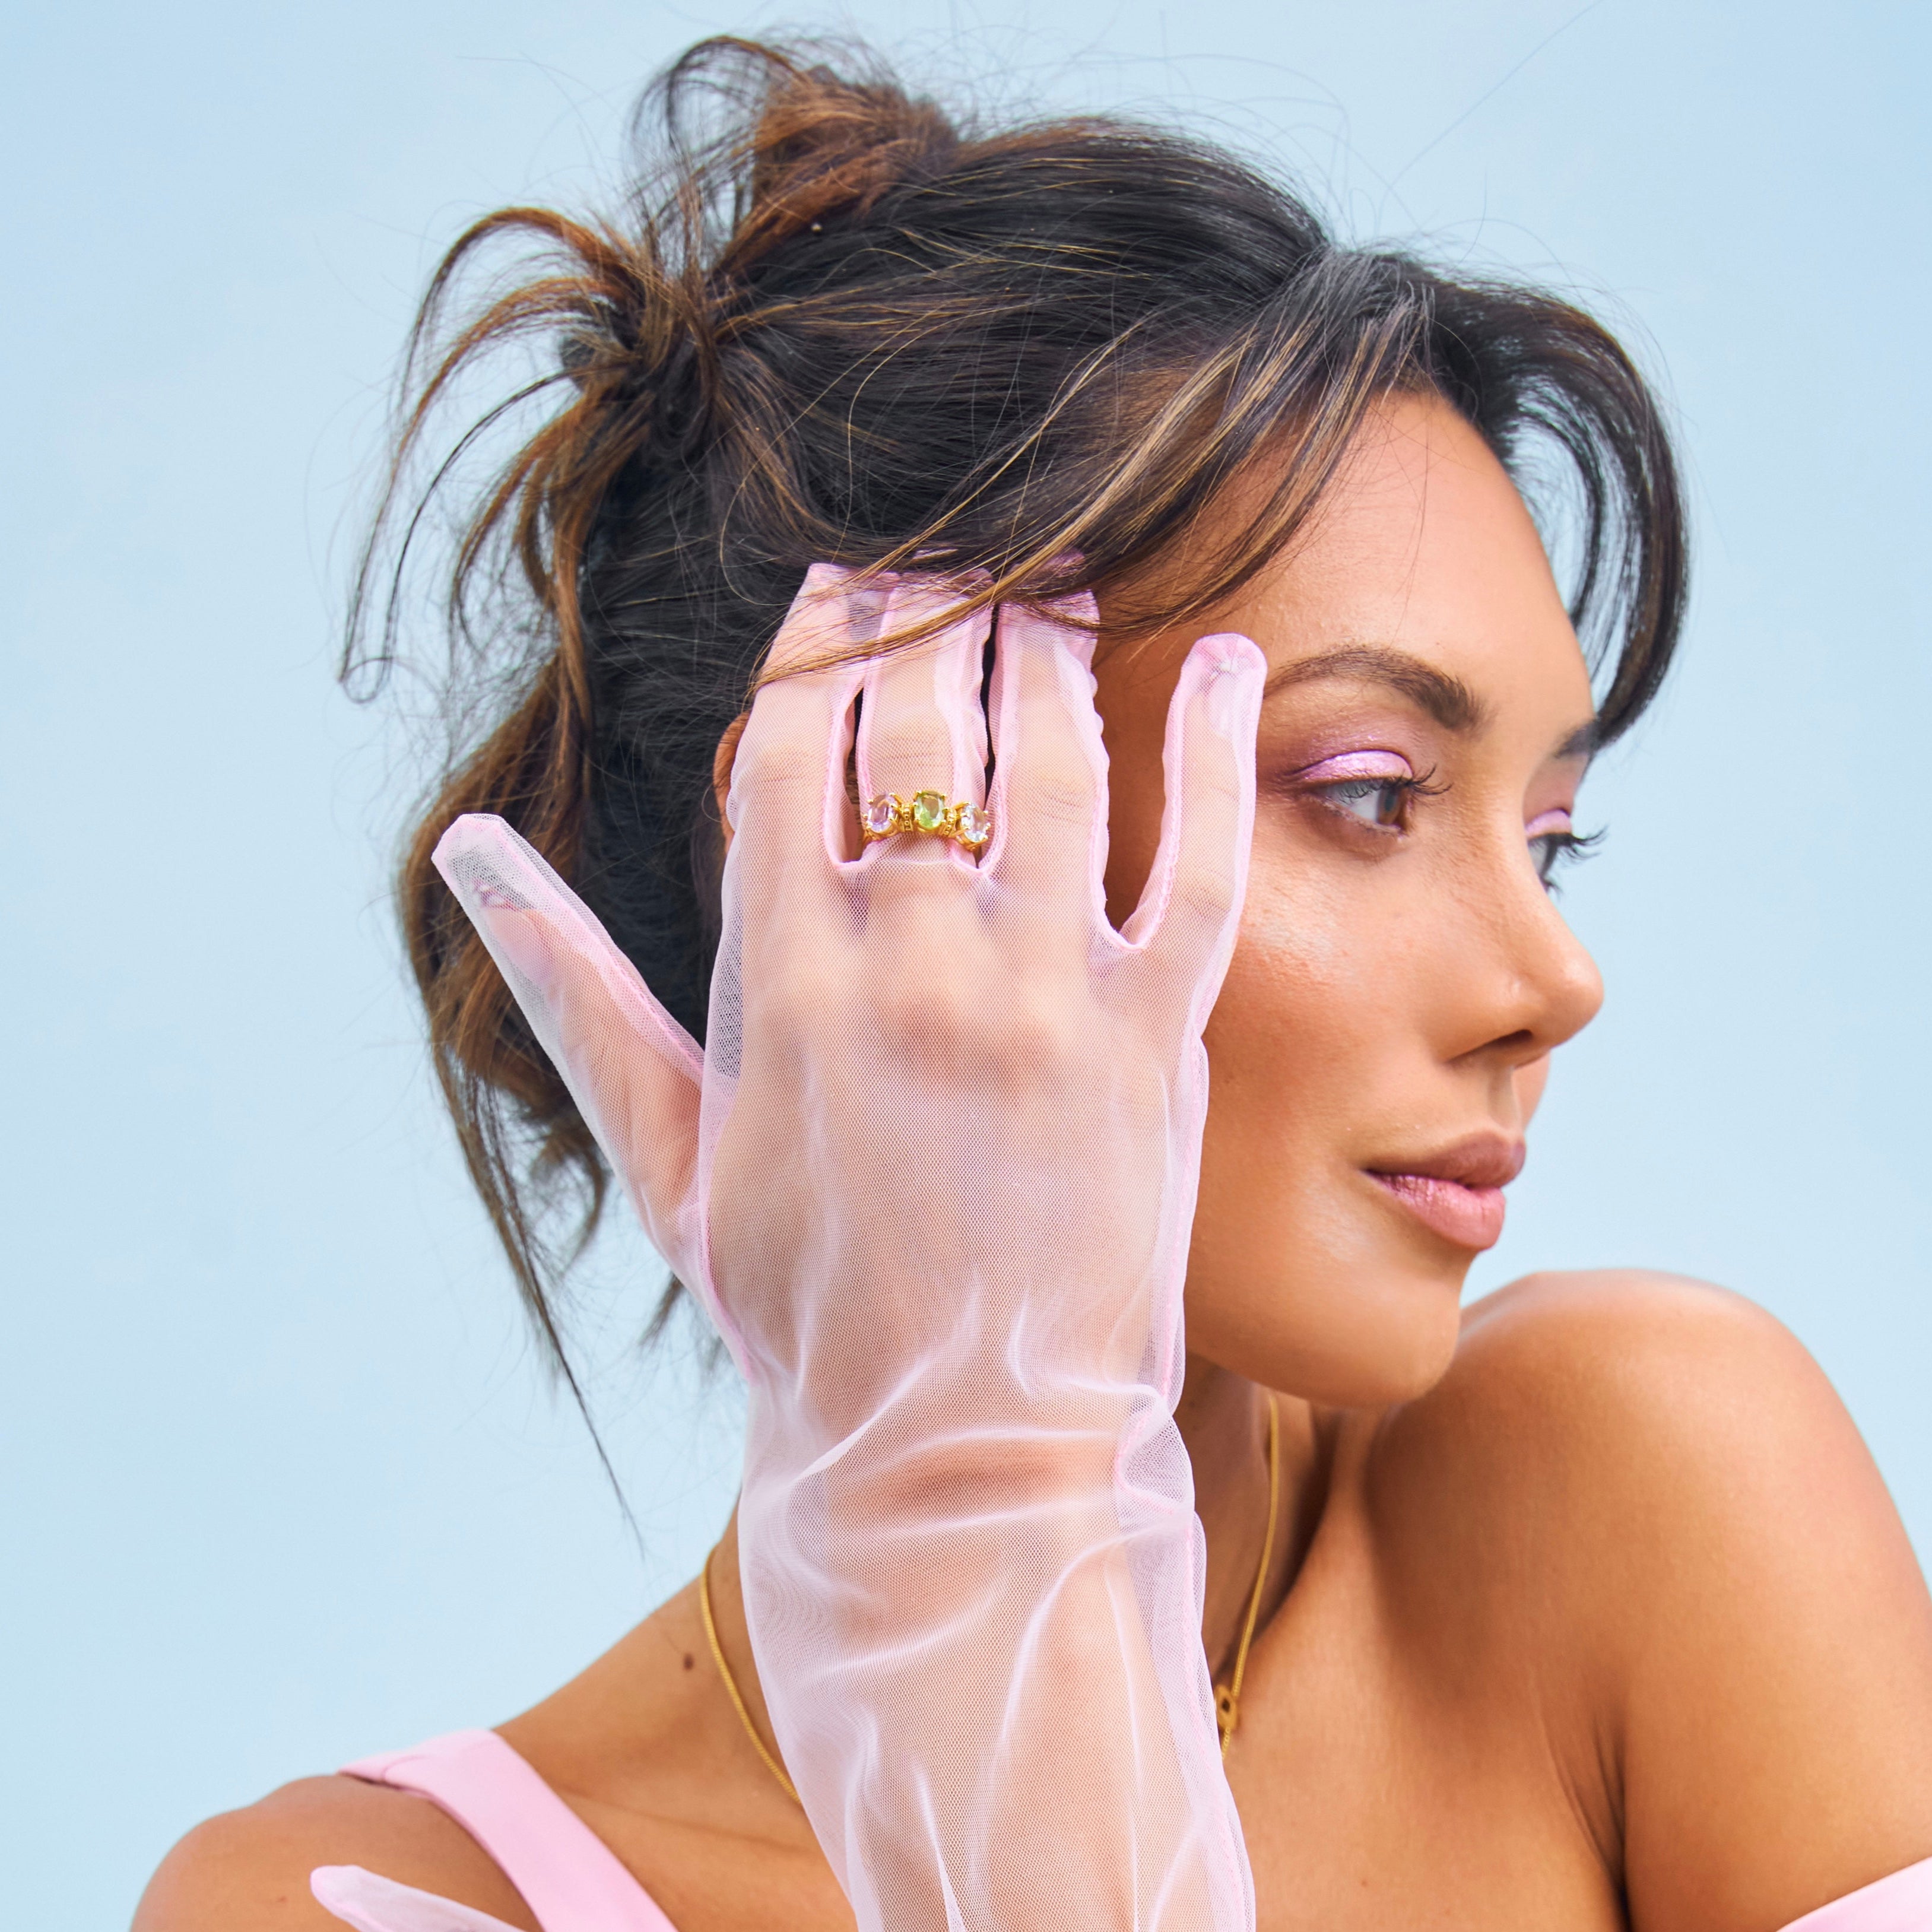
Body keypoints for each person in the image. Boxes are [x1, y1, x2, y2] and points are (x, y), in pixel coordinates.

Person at [137, 35, 1932, 1932]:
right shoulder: (347, 1897)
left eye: (1551, 834)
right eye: (1372, 796)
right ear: (880, 837)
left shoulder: (1637, 1489)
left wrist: (1019, 1655)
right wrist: (959, 1536)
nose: (1553, 981)